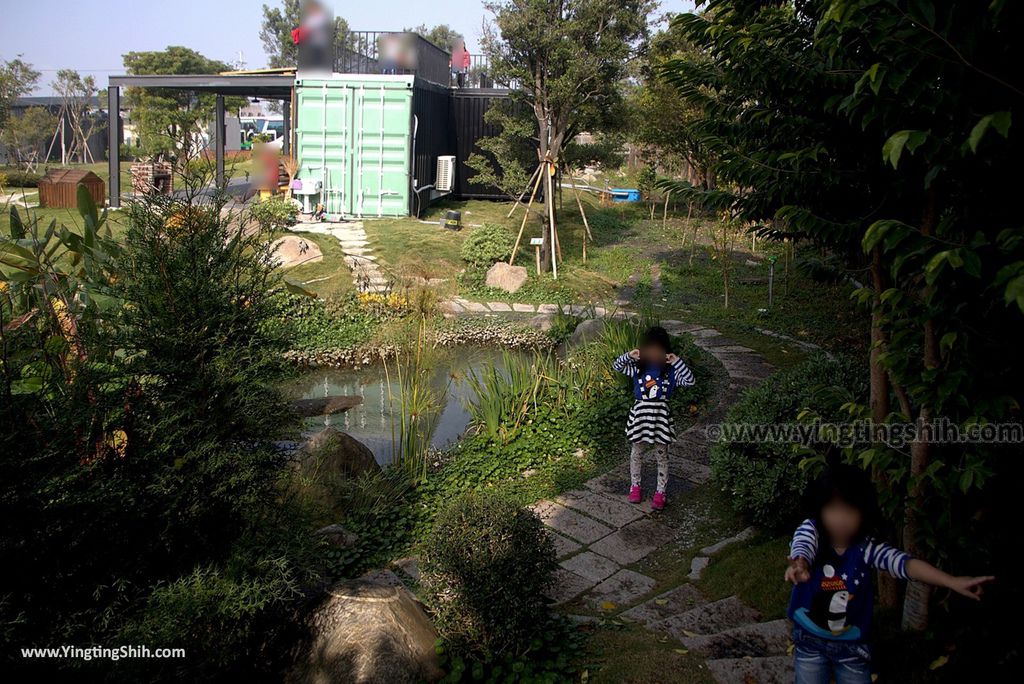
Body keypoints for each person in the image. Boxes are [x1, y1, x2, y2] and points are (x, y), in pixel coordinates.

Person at [785, 464, 994, 683]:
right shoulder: (812, 530)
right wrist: (800, 563)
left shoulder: (867, 549)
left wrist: (951, 581)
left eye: (850, 510)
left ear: (863, 512)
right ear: (820, 509)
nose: (841, 519)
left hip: (853, 648)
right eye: (833, 509)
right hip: (809, 642)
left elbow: (906, 565)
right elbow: (803, 545)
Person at [612, 326, 695, 510]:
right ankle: (635, 487)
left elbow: (690, 381)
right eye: (650, 348)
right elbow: (617, 366)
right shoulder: (638, 369)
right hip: (641, 416)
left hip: (660, 419)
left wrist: (676, 361)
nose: (654, 352)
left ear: (665, 350)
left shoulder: (671, 372)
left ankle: (660, 492)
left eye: (659, 349)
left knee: (662, 456)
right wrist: (630, 355)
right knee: (637, 453)